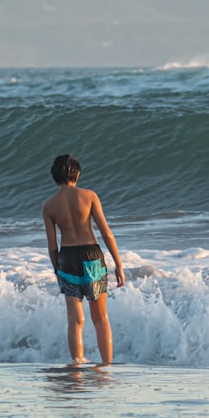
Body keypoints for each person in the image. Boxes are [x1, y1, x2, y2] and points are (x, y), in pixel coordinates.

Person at [42, 154, 125, 365]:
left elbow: (52, 246)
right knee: (100, 318)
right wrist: (118, 264)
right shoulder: (89, 196)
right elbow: (107, 233)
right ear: (76, 173)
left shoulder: (49, 206)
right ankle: (106, 367)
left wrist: (57, 271)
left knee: (75, 320)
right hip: (92, 256)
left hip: (67, 258)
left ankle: (77, 366)